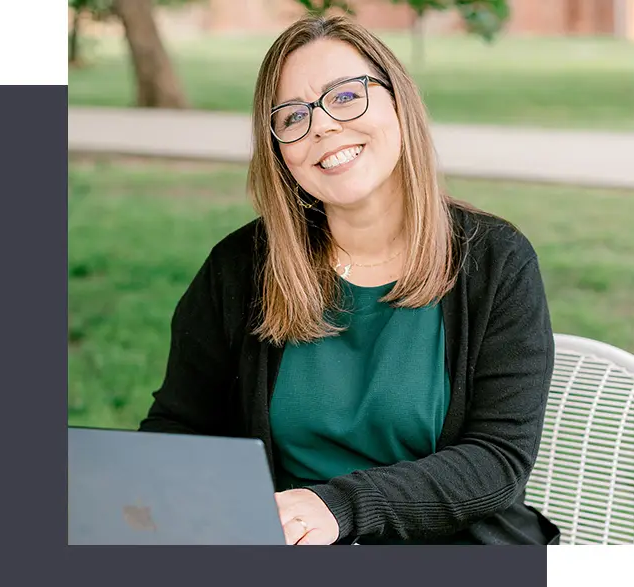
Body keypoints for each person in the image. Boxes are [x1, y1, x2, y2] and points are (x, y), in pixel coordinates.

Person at [137, 14, 560, 546]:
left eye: (344, 97)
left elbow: (497, 459)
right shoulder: (241, 266)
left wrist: (338, 507)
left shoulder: (495, 259)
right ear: (280, 152)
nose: (322, 127)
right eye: (292, 116)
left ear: (397, 101)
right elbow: (179, 430)